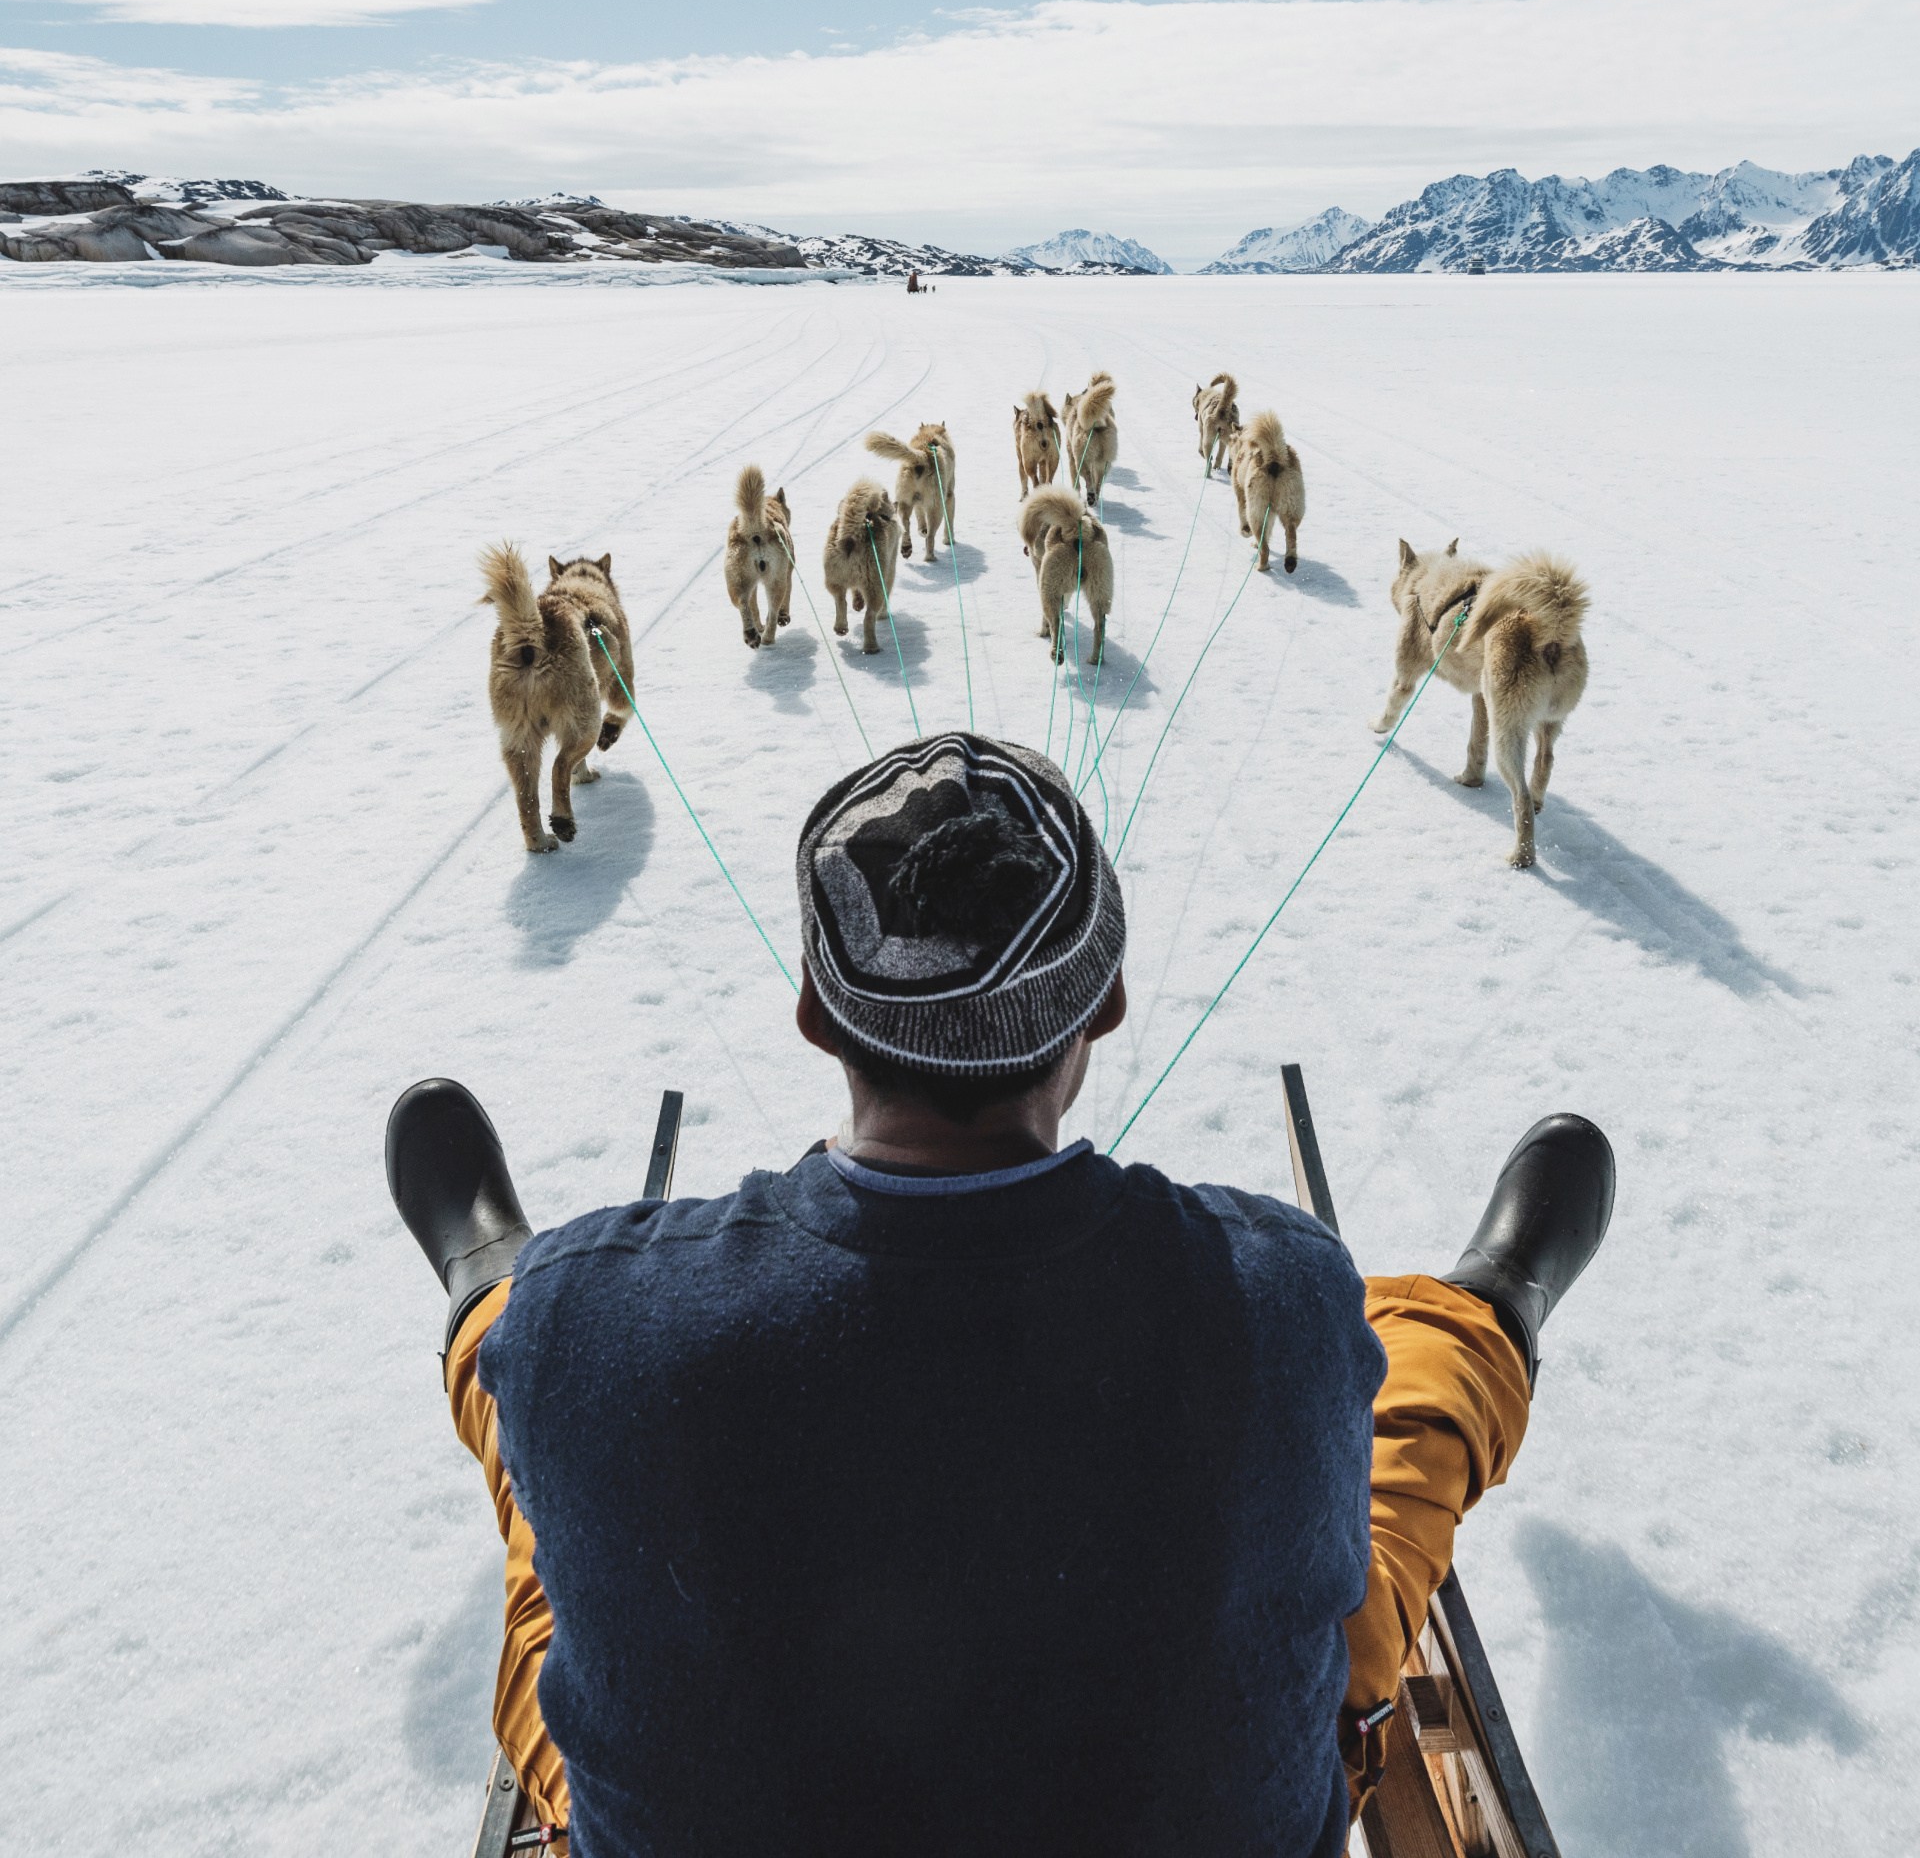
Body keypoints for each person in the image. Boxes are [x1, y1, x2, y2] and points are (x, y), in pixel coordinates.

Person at [387, 731, 1613, 1858]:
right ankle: (1489, 1307)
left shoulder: (598, 1317)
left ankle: (482, 1285)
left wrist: (534, 1303)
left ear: (817, 1013)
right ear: (1107, 1007)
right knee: (1384, 1487)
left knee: (551, 1508)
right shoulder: (1280, 1295)